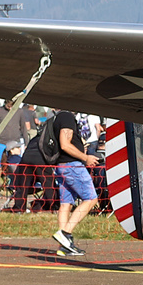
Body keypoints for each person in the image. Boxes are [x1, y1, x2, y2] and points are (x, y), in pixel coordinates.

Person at [48, 109, 100, 257]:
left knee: (66, 204)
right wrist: (85, 157)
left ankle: (64, 246)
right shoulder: (67, 117)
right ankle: (65, 234)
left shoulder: (59, 117)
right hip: (72, 166)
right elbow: (65, 144)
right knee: (91, 199)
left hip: (62, 166)